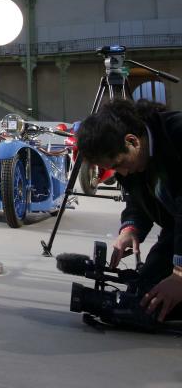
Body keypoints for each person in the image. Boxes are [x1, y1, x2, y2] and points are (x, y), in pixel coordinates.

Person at [76, 98, 182, 322]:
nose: (121, 174)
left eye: (118, 165)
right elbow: (138, 200)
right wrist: (130, 228)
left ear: (132, 141)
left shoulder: (177, 134)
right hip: (176, 231)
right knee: (146, 297)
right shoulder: (135, 161)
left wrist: (180, 275)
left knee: (169, 299)